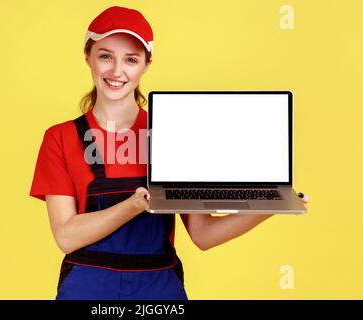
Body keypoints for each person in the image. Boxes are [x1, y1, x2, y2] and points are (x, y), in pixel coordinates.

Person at [29, 6, 309, 300]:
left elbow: (203, 235)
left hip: (159, 291)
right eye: (105, 56)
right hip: (87, 290)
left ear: (146, 64)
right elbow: (66, 236)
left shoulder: (175, 132)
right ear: (88, 56)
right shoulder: (60, 138)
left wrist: (273, 206)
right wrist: (134, 205)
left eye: (131, 59)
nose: (116, 71)